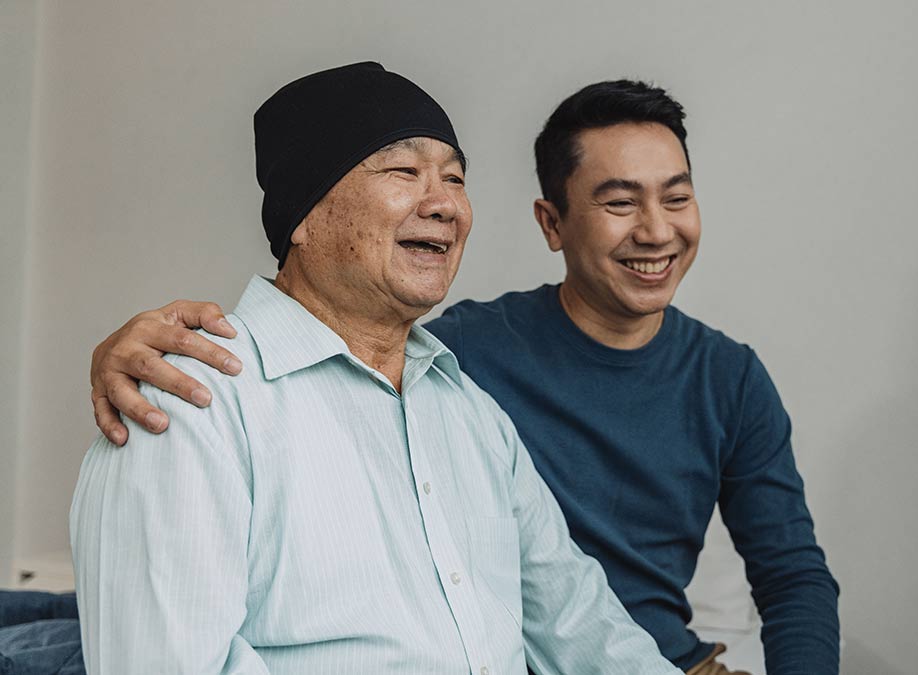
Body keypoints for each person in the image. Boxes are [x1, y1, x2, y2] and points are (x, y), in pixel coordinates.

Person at [88, 78, 840, 674]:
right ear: (304, 215)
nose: (444, 202)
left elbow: (574, 615)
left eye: (454, 176)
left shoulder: (464, 405)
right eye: (404, 171)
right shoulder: (190, 396)